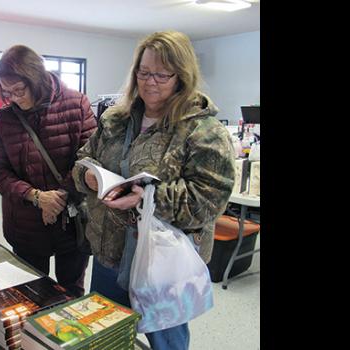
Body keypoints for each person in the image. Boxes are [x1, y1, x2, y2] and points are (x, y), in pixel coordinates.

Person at [71, 31, 235, 350]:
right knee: (106, 337)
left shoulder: (204, 131)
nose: (150, 82)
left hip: (164, 265)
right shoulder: (115, 119)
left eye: (162, 74)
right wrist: (87, 176)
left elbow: (209, 199)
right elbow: (83, 158)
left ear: (182, 76)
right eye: (144, 72)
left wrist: (149, 198)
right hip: (110, 252)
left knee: (167, 343)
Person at [0, 45, 97, 297]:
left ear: (35, 79)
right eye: (7, 92)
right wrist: (36, 197)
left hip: (71, 223)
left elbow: (90, 160)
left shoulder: (77, 104)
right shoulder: (5, 118)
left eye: (19, 90)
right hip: (25, 225)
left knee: (72, 292)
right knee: (30, 294)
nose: (13, 98)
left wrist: (57, 198)